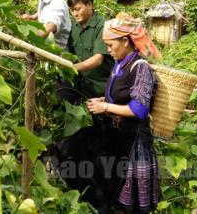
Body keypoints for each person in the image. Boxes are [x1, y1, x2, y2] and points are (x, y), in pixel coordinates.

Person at [48, 14, 161, 214]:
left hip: (132, 141)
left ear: (125, 41)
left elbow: (139, 109)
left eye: (110, 45)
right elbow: (120, 97)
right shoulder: (119, 64)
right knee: (74, 150)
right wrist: (104, 100)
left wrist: (106, 108)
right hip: (115, 135)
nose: (108, 50)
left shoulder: (140, 68)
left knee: (126, 201)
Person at [57, 0, 113, 104]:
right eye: (72, 10)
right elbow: (68, 53)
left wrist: (72, 68)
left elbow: (97, 59)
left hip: (99, 87)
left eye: (78, 9)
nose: (75, 14)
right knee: (59, 94)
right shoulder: (74, 27)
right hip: (79, 83)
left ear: (90, 5)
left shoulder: (102, 26)